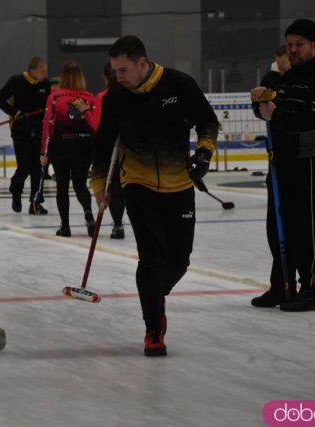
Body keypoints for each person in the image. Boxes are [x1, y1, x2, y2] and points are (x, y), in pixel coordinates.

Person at [90, 35, 218, 356]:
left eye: (123, 70)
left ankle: (153, 296)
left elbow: (207, 121)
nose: (117, 77)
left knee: (179, 260)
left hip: (179, 185)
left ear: (142, 64)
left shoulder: (178, 84)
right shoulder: (115, 98)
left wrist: (204, 154)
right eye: (114, 70)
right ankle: (153, 330)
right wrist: (98, 186)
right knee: (151, 257)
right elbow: (103, 145)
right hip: (137, 184)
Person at [250, 19, 315, 312]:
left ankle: (313, 289)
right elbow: (269, 114)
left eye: (299, 44)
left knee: (309, 227)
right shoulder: (284, 78)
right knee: (277, 227)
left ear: (314, 45)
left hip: (309, 162)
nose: (292, 49)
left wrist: (275, 114)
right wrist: (259, 102)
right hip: (281, 163)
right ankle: (283, 285)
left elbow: (314, 120)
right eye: (289, 44)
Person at [39, 61, 98, 237]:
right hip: (84, 146)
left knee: (62, 187)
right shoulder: (90, 97)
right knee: (80, 184)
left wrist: (44, 152)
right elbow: (94, 123)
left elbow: (48, 127)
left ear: (63, 77)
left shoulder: (55, 97)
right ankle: (88, 213)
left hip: (62, 146)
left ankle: (65, 226)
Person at [0, 57, 50, 214]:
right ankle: (16, 191)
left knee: (37, 168)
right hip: (21, 129)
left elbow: (47, 105)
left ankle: (35, 203)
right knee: (25, 166)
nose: (45, 74)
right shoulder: (16, 80)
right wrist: (15, 113)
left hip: (39, 129)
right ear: (32, 71)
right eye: (42, 71)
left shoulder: (45, 84)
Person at [93, 62, 126, 239]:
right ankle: (119, 223)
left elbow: (98, 126)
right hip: (122, 148)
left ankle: (118, 224)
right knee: (120, 186)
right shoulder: (113, 97)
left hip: (112, 147)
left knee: (114, 185)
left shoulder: (104, 97)